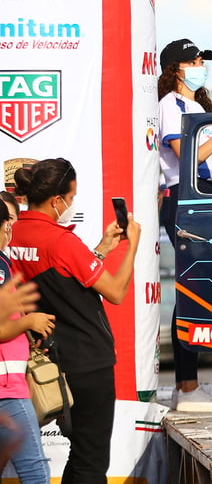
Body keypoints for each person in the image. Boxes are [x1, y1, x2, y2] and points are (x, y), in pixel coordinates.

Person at [9, 158, 140, 484]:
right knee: (90, 459)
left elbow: (62, 281)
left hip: (49, 360)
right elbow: (115, 292)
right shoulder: (61, 241)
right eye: (72, 196)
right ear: (57, 200)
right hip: (86, 361)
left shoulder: (14, 233)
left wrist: (101, 249)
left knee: (79, 454)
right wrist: (132, 246)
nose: (72, 204)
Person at [158, 38, 212, 413]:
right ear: (175, 68)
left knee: (202, 289)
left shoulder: (198, 107)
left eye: (201, 60)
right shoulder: (169, 106)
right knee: (192, 290)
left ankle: (189, 386)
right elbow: (187, 155)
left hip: (210, 196)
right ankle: (187, 386)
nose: (199, 65)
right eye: (192, 60)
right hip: (184, 197)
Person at [0, 199, 54, 484]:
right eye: (7, 220)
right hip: (6, 390)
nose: (11, 226)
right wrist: (29, 322)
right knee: (37, 474)